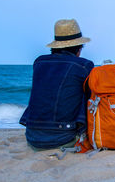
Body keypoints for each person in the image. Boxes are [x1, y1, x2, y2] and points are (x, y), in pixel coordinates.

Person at [20, 19, 94, 150]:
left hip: (32, 138)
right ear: (78, 47)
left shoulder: (39, 63)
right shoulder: (84, 66)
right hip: (64, 139)